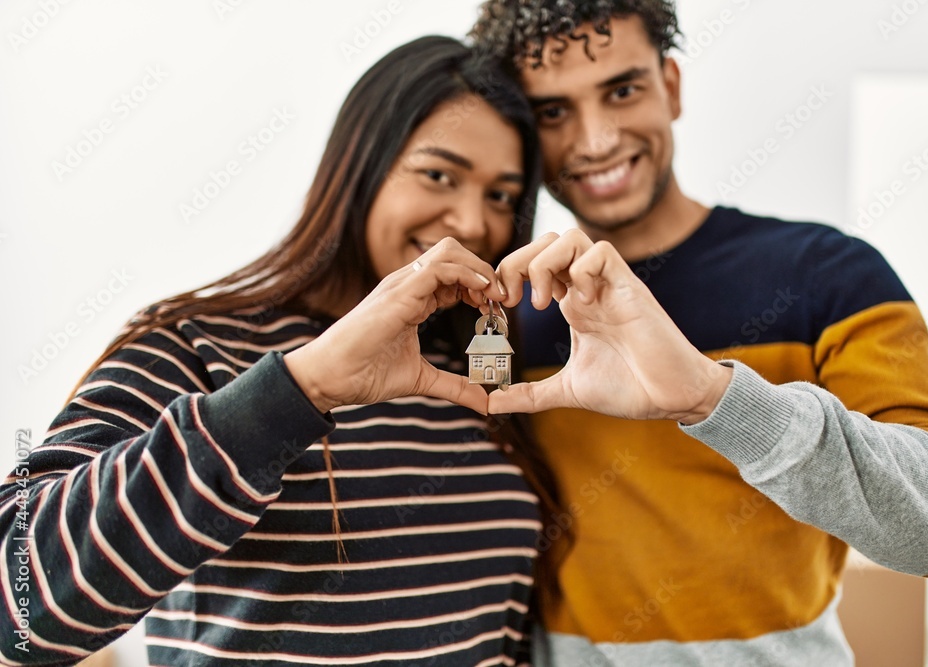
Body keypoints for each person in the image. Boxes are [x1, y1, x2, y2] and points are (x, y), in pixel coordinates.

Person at [469, 2, 928, 665]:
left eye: (623, 90)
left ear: (672, 85)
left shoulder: (824, 275)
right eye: (553, 112)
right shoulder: (508, 312)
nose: (596, 139)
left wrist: (714, 398)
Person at [0, 35, 555, 666]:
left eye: (502, 196)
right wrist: (301, 388)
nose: (473, 221)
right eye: (438, 174)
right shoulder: (195, 344)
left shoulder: (483, 373)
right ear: (359, 168)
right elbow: (17, 606)